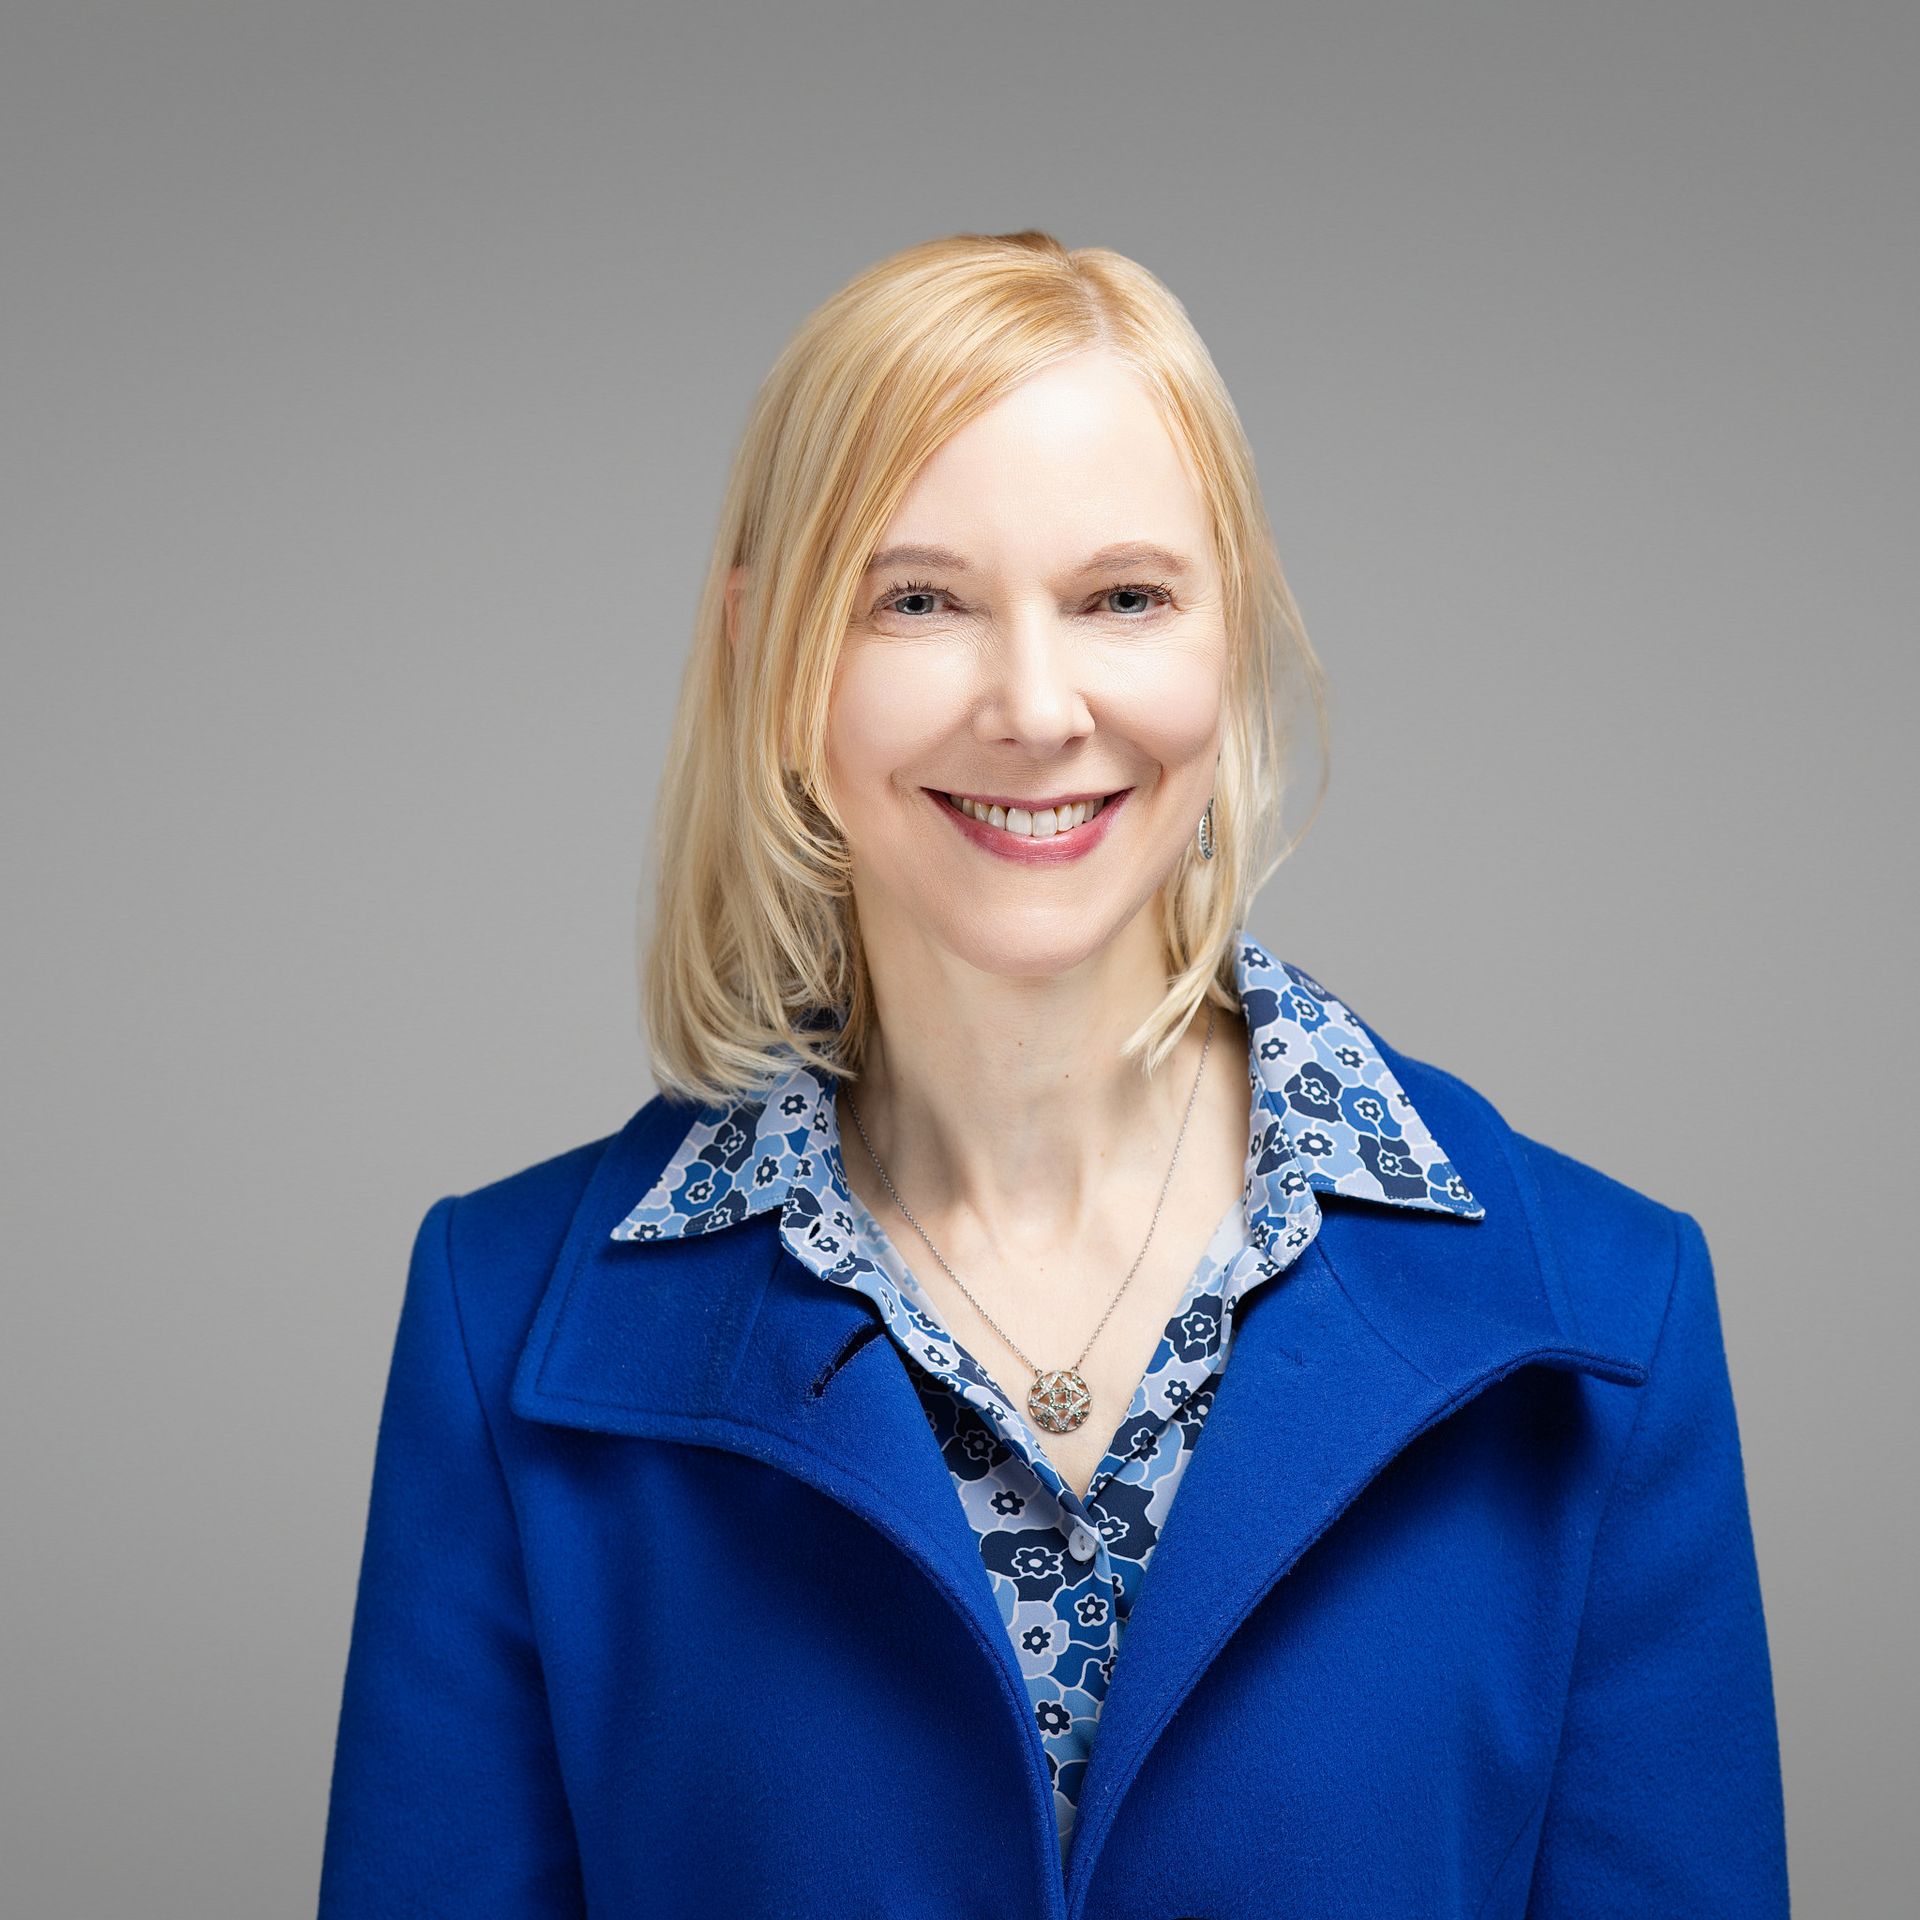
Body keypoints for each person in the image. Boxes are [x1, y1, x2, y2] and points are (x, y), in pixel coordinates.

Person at [318, 230, 1790, 1918]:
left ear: (1230, 636)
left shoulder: (1609, 1320)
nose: (1035, 705)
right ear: (768, 654)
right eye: (918, 600)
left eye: (1125, 599)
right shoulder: (497, 1330)